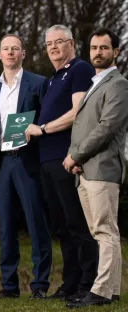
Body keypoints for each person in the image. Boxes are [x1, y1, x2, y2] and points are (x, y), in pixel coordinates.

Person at [25, 24, 98, 301]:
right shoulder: (51, 79)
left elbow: (78, 112)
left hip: (67, 159)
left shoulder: (79, 69)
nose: (53, 47)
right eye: (49, 44)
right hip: (46, 161)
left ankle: (87, 285)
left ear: (71, 43)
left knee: (77, 224)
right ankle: (70, 284)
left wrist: (42, 129)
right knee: (62, 227)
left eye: (59, 42)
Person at [63, 28, 128, 308]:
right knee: (102, 232)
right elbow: (85, 126)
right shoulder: (95, 82)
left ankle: (100, 291)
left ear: (116, 51)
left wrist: (74, 155)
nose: (97, 53)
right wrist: (77, 159)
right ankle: (111, 290)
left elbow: (106, 128)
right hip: (86, 169)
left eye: (103, 48)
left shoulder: (118, 84)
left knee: (105, 231)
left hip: (102, 169)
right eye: (93, 48)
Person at [0, 34, 51, 300]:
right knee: (6, 229)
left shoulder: (38, 83)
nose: (10, 53)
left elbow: (47, 121)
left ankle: (40, 286)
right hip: (1, 164)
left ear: (23, 53)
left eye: (15, 49)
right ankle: (9, 287)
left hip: (27, 162)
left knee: (36, 224)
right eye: (6, 49)